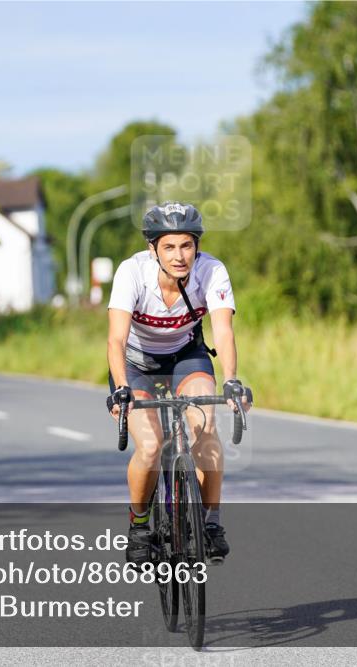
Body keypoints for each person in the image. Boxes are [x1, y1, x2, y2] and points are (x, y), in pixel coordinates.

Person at [106, 202, 250, 566]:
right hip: (136, 364)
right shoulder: (131, 273)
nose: (179, 255)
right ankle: (140, 527)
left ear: (196, 246)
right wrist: (121, 388)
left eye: (186, 245)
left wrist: (231, 381)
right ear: (152, 249)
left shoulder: (212, 270)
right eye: (169, 247)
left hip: (186, 356)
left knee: (204, 425)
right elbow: (115, 340)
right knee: (151, 446)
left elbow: (223, 330)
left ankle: (211, 524)